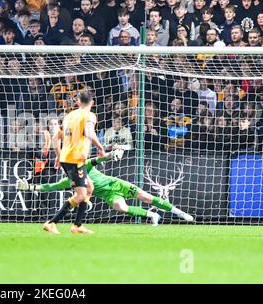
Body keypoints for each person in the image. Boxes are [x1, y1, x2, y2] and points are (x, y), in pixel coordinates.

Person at [17, 151, 194, 231]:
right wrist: (30, 187)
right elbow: (50, 187)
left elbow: (95, 159)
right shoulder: (69, 179)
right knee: (121, 208)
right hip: (109, 195)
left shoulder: (83, 166)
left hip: (116, 184)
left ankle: (180, 213)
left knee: (147, 197)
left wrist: (110, 155)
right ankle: (152, 216)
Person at [45, 90, 105, 234]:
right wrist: (101, 148)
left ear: (78, 102)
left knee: (89, 188)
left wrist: (59, 156)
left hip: (67, 157)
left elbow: (55, 139)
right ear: (92, 102)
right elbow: (90, 133)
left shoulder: (69, 116)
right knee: (80, 195)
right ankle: (52, 222)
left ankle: (77, 225)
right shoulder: (89, 115)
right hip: (75, 159)